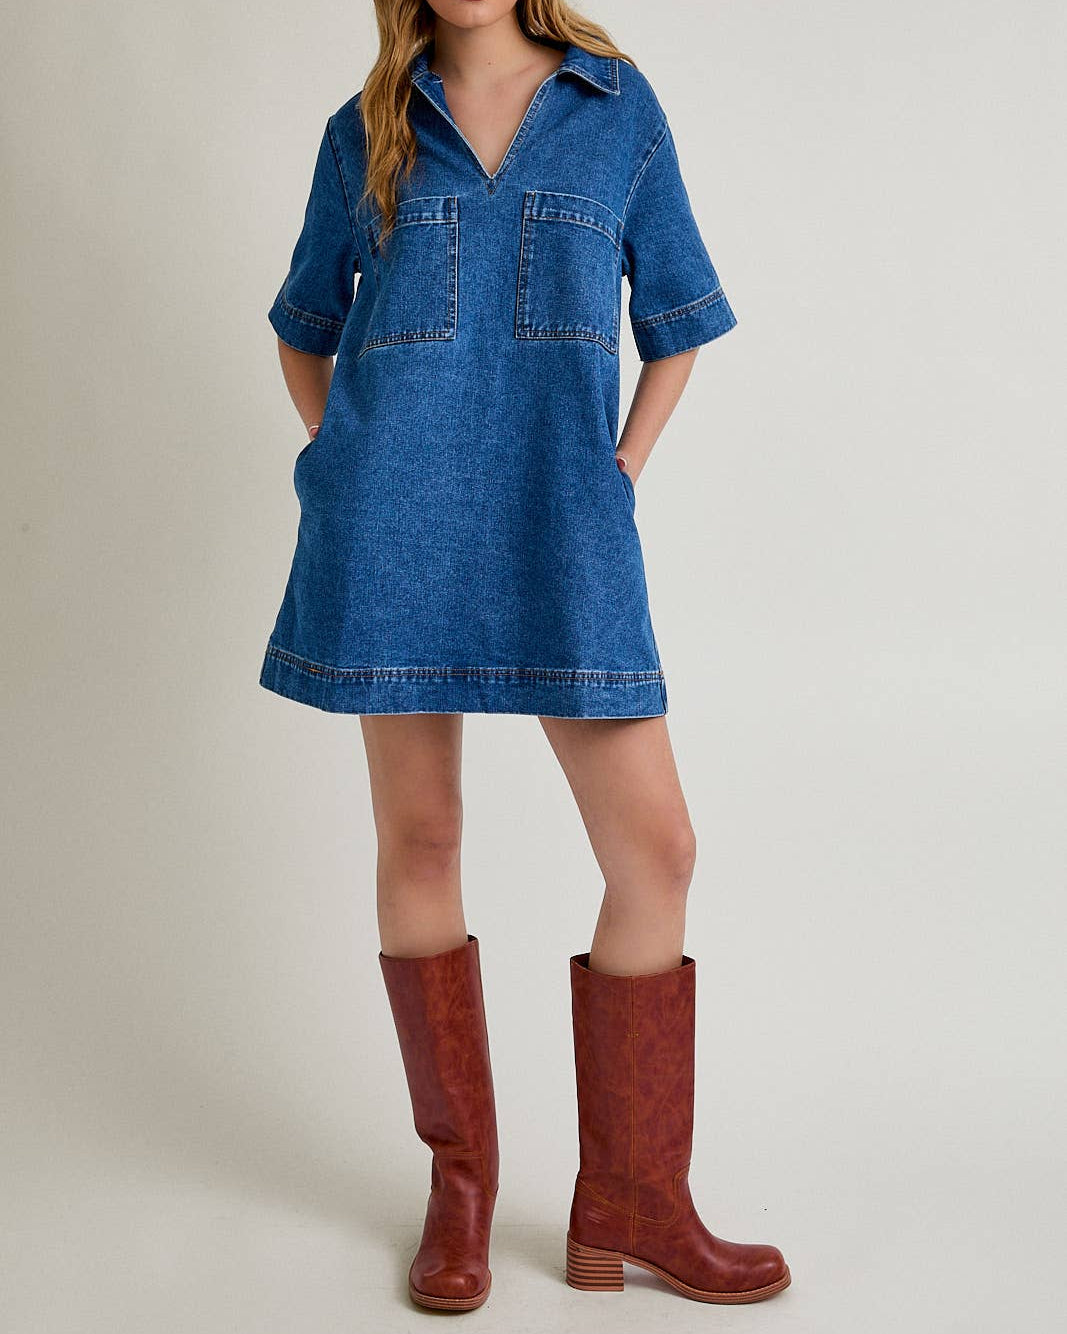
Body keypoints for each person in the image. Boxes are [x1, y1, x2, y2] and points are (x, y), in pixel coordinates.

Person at [261, 0, 791, 1313]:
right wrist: (350, 466)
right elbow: (301, 324)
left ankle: (631, 1194)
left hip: (563, 522)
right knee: (423, 838)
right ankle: (462, 1187)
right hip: (395, 532)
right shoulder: (366, 131)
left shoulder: (616, 108)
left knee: (655, 849)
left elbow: (675, 321)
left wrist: (616, 473)